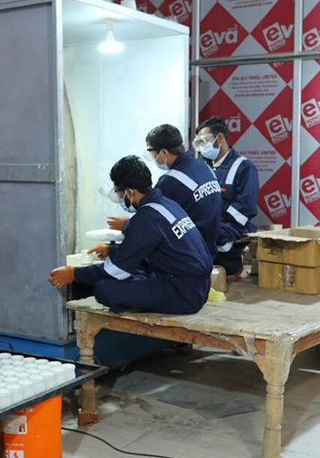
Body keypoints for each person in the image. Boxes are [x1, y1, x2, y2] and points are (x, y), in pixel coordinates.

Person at [49, 155, 212, 314]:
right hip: (199, 287)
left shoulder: (146, 218)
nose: (119, 197)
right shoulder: (167, 204)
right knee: (136, 272)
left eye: (119, 192)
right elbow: (151, 249)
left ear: (129, 192)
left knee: (104, 289)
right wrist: (110, 250)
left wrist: (73, 274)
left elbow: (115, 270)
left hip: (183, 294)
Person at [107, 124, 222, 259]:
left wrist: (127, 225)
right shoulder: (203, 166)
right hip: (209, 248)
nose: (152, 157)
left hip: (187, 253)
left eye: (151, 152)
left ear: (164, 153)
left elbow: (152, 224)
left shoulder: (170, 181)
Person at [194, 117, 259, 278]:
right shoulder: (202, 167)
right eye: (198, 143)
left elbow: (246, 207)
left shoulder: (244, 166)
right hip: (209, 223)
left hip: (233, 225)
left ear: (220, 138)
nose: (201, 147)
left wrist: (217, 221)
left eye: (204, 141)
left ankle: (231, 268)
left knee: (211, 236)